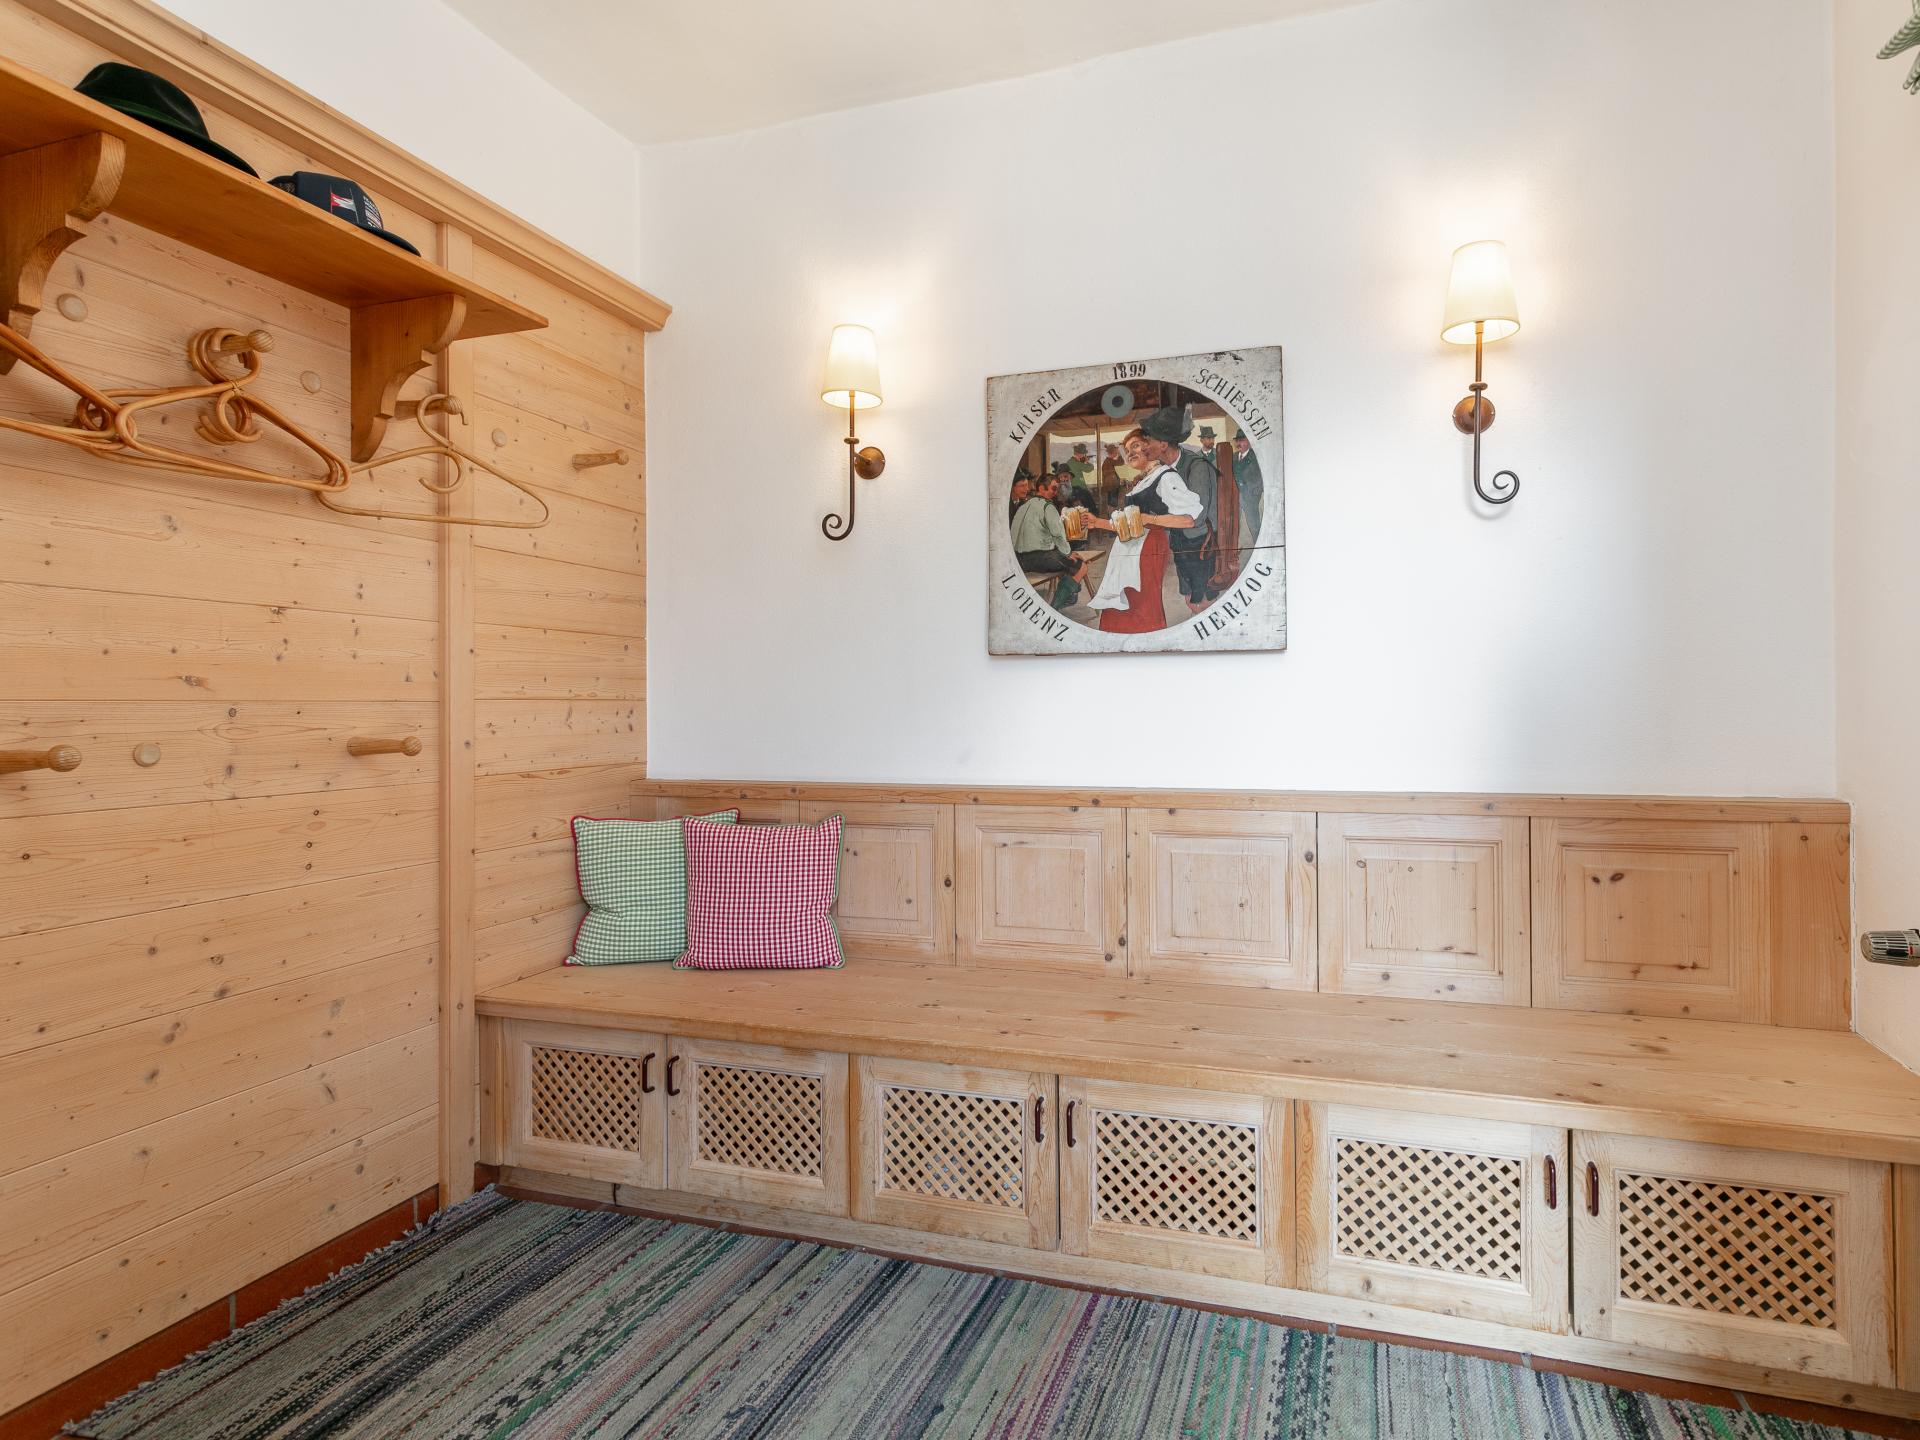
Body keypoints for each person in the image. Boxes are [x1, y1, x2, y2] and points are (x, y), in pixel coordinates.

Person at [1083, 427, 1203, 632]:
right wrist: (1097, 523)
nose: (1129, 453)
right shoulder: (1143, 480)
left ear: (1151, 446)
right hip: (1129, 549)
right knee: (1122, 605)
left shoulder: (1166, 477)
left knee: (1141, 603)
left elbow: (1188, 520)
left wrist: (1151, 519)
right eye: (1127, 450)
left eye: (1136, 446)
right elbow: (1130, 523)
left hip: (1148, 549)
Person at [1132, 405, 1216, 609]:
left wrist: (1154, 518)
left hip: (1200, 544)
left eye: (1148, 441)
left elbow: (1195, 518)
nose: (1144, 448)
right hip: (1179, 543)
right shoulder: (1161, 469)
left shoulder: (1197, 466)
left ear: (1163, 444)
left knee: (1203, 600)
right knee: (1189, 597)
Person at [1011, 471, 1089, 608]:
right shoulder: (1048, 506)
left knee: (1064, 561)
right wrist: (1068, 553)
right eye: (1053, 488)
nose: (1056, 492)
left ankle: (1069, 595)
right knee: (1081, 565)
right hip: (1039, 559)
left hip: (1019, 560)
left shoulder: (1023, 506)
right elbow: (1058, 535)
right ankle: (1056, 606)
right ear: (1042, 488)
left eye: (1057, 489)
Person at [1231, 432, 1264, 545]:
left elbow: (1263, 478)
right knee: (1234, 527)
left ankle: (1260, 547)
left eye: (1241, 440)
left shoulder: (1256, 457)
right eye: (1237, 440)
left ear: (1249, 441)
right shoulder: (1233, 457)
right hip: (1235, 498)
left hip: (1250, 498)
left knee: (1254, 527)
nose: (1238, 443)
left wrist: (1255, 493)